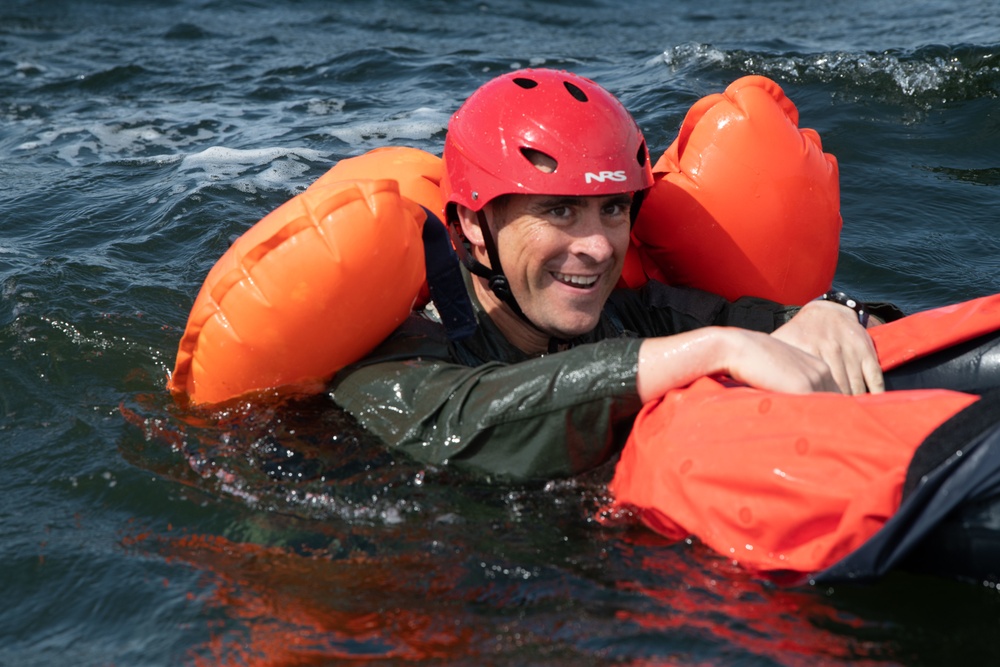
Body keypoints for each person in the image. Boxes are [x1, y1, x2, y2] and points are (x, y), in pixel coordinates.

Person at [327, 68, 883, 481]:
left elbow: (784, 325)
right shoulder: (397, 353)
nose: (596, 247)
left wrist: (834, 312)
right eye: (559, 210)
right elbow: (463, 423)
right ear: (475, 223)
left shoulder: (632, 314)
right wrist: (712, 351)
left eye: (613, 208)